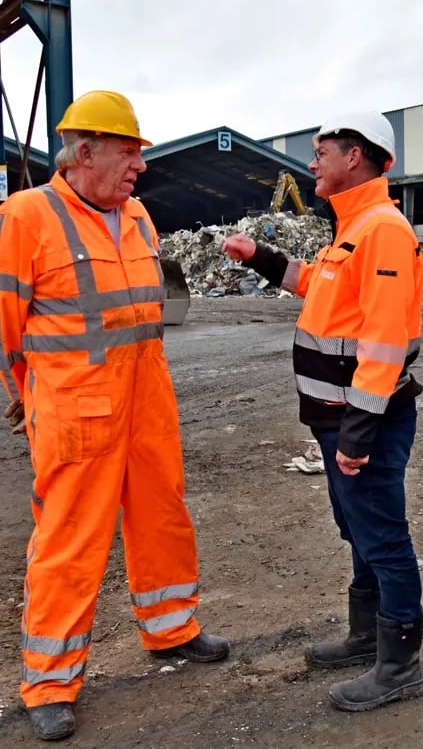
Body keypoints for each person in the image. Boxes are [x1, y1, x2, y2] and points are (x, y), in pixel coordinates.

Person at [0, 90, 229, 741]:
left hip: (146, 398)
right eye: (129, 153)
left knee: (163, 512)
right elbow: (5, 327)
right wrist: (29, 395)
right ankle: (49, 680)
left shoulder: (139, 218)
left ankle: (171, 629)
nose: (141, 167)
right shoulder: (27, 215)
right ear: (84, 153)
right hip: (77, 409)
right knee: (70, 540)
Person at [221, 110, 423, 712]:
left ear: (354, 157)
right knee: (359, 530)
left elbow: (384, 342)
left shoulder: (382, 230)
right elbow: (319, 287)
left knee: (384, 537)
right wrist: (260, 256)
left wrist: (358, 433)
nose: (313, 163)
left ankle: (400, 663)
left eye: (321, 151)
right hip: (338, 418)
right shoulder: (352, 229)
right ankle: (367, 635)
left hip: (364, 421)